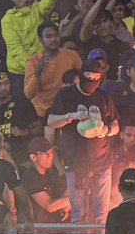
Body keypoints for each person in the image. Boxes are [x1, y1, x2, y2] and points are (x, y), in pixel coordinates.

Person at [46, 62, 119, 224]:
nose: (92, 81)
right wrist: (70, 116)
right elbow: (51, 122)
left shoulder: (104, 97)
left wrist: (106, 130)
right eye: (88, 77)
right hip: (75, 164)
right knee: (78, 214)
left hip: (101, 163)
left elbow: (116, 126)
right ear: (81, 76)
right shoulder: (65, 94)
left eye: (96, 78)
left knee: (102, 215)